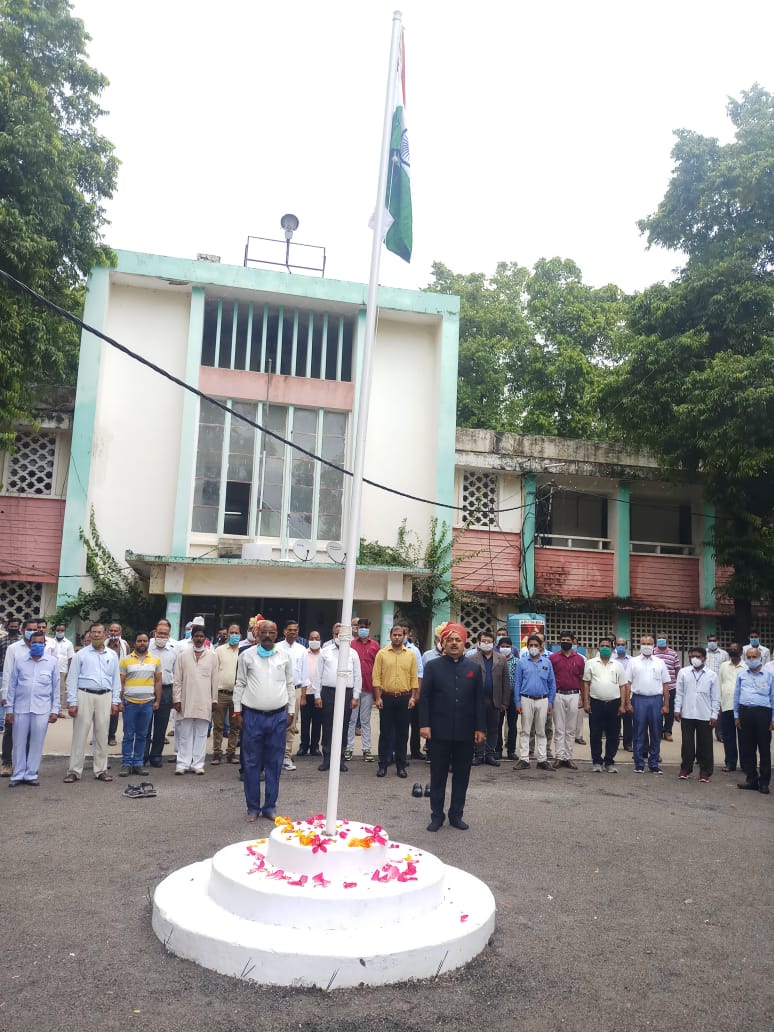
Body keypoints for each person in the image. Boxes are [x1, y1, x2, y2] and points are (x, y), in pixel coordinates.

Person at [419, 622, 485, 831]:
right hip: (438, 731)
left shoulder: (473, 668)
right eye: (450, 640)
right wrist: (424, 725)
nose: (454, 643)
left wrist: (480, 728)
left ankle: (456, 815)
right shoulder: (433, 666)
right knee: (437, 776)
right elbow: (425, 698)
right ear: (443, 643)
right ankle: (437, 816)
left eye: (458, 640)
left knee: (461, 775)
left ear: (464, 643)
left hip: (465, 733)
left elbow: (478, 701)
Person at [232, 619, 294, 821]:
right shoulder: (246, 656)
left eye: (272, 633)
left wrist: (291, 711)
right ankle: (252, 807)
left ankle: (269, 806)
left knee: (274, 763)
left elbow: (290, 684)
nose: (268, 636)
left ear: (277, 634)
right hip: (253, 717)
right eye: (264, 632)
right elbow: (240, 684)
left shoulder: (284, 656)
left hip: (277, 716)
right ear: (257, 634)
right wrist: (237, 711)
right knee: (251, 763)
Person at [64, 622, 121, 783]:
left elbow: (116, 680)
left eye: (99, 632)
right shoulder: (81, 655)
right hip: (84, 695)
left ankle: (101, 769)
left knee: (102, 734)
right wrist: (72, 702)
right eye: (93, 632)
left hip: (105, 696)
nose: (96, 635)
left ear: (105, 635)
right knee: (80, 734)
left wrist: (115, 701)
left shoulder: (112, 655)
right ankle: (74, 770)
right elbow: (72, 679)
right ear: (89, 634)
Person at [4, 629, 59, 786]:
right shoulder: (20, 661)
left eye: (40, 643)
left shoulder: (52, 662)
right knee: (19, 743)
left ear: (44, 644)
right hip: (20, 708)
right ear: (29, 643)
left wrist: (55, 710)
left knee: (37, 742)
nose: (37, 645)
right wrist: (9, 709)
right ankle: (18, 774)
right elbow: (12, 687)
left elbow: (56, 688)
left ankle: (31, 774)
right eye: (34, 643)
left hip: (42, 709)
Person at [312, 623, 361, 773]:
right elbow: (318, 675)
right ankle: (327, 758)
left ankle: (340, 759)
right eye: (336, 634)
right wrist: (317, 695)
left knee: (344, 726)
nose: (339, 637)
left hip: (346, 693)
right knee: (327, 726)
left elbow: (358, 676)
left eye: (342, 634)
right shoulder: (325, 652)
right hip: (328, 692)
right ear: (333, 635)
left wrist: (355, 696)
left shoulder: (353, 653)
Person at [373, 625, 419, 779]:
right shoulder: (382, 653)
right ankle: (383, 764)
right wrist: (378, 697)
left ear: (404, 636)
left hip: (405, 698)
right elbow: (376, 677)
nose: (397, 637)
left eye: (400, 635)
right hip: (386, 697)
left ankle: (401, 765)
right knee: (385, 732)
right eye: (395, 634)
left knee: (402, 733)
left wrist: (413, 697)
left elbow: (414, 677)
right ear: (390, 635)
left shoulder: (411, 655)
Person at [172, 625, 218, 774]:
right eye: (196, 636)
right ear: (192, 638)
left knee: (201, 734)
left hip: (205, 700)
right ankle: (183, 763)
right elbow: (177, 680)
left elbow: (215, 680)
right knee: (184, 733)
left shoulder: (212, 656)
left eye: (201, 636)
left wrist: (214, 700)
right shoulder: (183, 655)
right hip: (186, 700)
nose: (198, 639)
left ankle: (198, 764)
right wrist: (177, 699)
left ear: (205, 638)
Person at [583, 636, 629, 773]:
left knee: (613, 735)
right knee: (595, 734)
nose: (604, 648)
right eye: (602, 646)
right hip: (596, 703)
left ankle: (609, 761)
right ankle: (596, 761)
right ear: (598, 648)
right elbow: (586, 683)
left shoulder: (618, 665)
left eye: (607, 646)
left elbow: (623, 686)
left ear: (612, 649)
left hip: (613, 704)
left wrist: (622, 705)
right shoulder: (591, 663)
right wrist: (586, 702)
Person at [674, 646, 720, 782]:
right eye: (691, 656)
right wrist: (677, 709)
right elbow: (680, 692)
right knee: (687, 744)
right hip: (687, 713)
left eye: (697, 656)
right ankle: (685, 768)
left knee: (705, 744)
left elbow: (716, 697)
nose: (694, 659)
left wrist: (714, 714)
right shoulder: (683, 672)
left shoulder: (712, 675)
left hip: (705, 714)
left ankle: (705, 771)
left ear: (704, 658)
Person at [118, 632, 161, 777]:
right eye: (139, 641)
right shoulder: (125, 660)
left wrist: (157, 701)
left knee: (142, 735)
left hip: (147, 703)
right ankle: (126, 764)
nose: (142, 643)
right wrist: (120, 701)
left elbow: (158, 681)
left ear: (148, 643)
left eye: (144, 641)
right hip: (129, 703)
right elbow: (121, 682)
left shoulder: (155, 660)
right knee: (128, 735)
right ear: (135, 643)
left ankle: (138, 763)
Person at [513, 634, 556, 772]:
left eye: (536, 645)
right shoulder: (522, 662)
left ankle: (542, 759)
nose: (533, 648)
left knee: (541, 730)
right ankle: (524, 759)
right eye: (530, 645)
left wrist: (550, 702)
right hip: (526, 699)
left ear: (541, 647)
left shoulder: (547, 662)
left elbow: (552, 683)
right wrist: (517, 702)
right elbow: (517, 683)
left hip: (543, 700)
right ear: (527, 647)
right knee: (525, 730)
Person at [627, 636, 671, 774]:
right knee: (638, 732)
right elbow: (627, 683)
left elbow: (665, 684)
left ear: (654, 646)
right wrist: (628, 702)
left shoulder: (660, 663)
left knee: (656, 732)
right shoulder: (633, 662)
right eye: (644, 643)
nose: (646, 646)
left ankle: (653, 763)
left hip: (656, 700)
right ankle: (639, 763)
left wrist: (666, 704)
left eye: (649, 644)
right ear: (639, 645)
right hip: (639, 699)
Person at [733, 647, 774, 794]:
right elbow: (736, 696)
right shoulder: (742, 674)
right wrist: (736, 715)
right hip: (745, 713)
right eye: (748, 657)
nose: (751, 659)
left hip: (763, 714)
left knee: (763, 748)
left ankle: (764, 782)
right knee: (746, 748)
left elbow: (773, 698)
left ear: (760, 658)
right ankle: (751, 779)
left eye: (754, 657)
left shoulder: (769, 676)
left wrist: (773, 719)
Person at [468, 629, 509, 767]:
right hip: (477, 699)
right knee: (479, 727)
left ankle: (490, 754)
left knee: (493, 727)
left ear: (493, 643)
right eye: (484, 641)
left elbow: (505, 682)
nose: (486, 643)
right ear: (479, 643)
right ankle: (479, 754)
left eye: (489, 641)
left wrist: (505, 701)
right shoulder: (472, 659)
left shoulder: (501, 659)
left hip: (495, 699)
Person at [275, 620, 310, 771]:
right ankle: (275, 754)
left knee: (291, 723)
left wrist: (302, 696)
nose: (293, 632)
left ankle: (286, 756)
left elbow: (304, 675)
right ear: (284, 632)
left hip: (295, 691)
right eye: (290, 630)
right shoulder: (276, 648)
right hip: (278, 689)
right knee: (276, 722)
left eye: (295, 630)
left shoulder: (302, 650)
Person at [549, 629, 586, 770]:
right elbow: (550, 679)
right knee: (559, 728)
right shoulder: (553, 658)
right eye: (563, 640)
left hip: (574, 694)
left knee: (571, 729)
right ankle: (559, 757)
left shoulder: (579, 659)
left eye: (568, 640)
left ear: (573, 642)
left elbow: (582, 679)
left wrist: (583, 697)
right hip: (558, 694)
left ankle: (568, 757)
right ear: (559, 642)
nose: (565, 642)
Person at [146, 619, 177, 768]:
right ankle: (142, 755)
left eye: (165, 634)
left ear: (168, 635)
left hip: (166, 689)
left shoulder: (174, 647)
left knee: (161, 724)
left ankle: (156, 755)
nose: (161, 636)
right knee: (145, 724)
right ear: (155, 632)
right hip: (146, 688)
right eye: (159, 633)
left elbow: (177, 672)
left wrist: (175, 694)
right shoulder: (147, 645)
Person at [348, 618, 380, 762]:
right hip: (354, 688)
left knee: (365, 720)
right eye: (360, 627)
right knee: (351, 719)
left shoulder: (375, 645)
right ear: (357, 628)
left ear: (369, 628)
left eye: (365, 627)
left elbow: (378, 668)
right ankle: (349, 747)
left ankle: (367, 749)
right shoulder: (351, 644)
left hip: (368, 687)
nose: (362, 629)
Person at [212, 623, 241, 765]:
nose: (234, 635)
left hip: (237, 695)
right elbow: (214, 672)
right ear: (227, 634)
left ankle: (231, 753)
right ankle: (217, 754)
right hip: (221, 693)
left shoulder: (244, 650)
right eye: (231, 632)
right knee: (218, 725)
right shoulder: (219, 650)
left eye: (236, 633)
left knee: (235, 726)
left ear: (240, 634)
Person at [0, 615, 22, 776]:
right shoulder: (4, 642)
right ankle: (6, 762)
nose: (13, 628)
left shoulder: (26, 645)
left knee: (24, 731)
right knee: (9, 725)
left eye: (16, 626)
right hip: (4, 676)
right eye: (11, 625)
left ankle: (22, 764)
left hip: (24, 685)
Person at [718, 644, 745, 772]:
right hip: (727, 705)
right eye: (731, 649)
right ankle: (730, 763)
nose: (733, 651)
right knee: (728, 736)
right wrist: (718, 704)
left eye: (736, 649)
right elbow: (719, 684)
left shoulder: (746, 667)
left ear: (741, 652)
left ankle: (746, 764)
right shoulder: (723, 666)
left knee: (744, 737)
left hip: (743, 707)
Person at [401, 623, 425, 760]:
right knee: (401, 725)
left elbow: (419, 672)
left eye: (404, 633)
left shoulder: (414, 650)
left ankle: (415, 751)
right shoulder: (387, 649)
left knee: (415, 724)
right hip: (399, 691)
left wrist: (417, 693)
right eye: (398, 633)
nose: (401, 636)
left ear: (408, 635)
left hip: (412, 690)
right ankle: (400, 753)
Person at [298, 631, 323, 756]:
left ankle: (314, 747)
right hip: (305, 692)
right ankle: (303, 746)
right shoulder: (304, 653)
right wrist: (302, 696)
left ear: (320, 640)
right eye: (312, 638)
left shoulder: (324, 654)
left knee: (317, 721)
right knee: (305, 722)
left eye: (317, 638)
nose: (314, 640)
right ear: (308, 639)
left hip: (319, 694)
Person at [106, 621, 129, 746]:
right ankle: (99, 735)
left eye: (116, 631)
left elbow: (128, 662)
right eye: (111, 630)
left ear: (120, 632)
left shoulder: (124, 645)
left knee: (114, 708)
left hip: (118, 680)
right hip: (103, 681)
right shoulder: (103, 644)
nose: (113, 633)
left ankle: (111, 736)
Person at [653, 632, 680, 741]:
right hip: (656, 687)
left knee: (669, 710)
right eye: (659, 638)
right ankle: (658, 731)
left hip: (671, 686)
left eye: (663, 638)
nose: (661, 640)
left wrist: (678, 684)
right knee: (657, 710)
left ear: (667, 640)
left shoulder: (673, 653)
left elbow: (677, 669)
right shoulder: (653, 652)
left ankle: (668, 731)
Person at [496, 636, 518, 761]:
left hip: (512, 696)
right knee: (497, 724)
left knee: (512, 725)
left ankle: (511, 750)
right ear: (498, 648)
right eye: (502, 646)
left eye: (507, 647)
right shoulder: (496, 661)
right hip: (498, 696)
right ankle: (497, 750)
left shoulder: (517, 662)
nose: (505, 649)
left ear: (511, 648)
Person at [614, 637, 634, 750]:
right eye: (618, 644)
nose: (620, 646)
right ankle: (614, 742)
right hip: (615, 692)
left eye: (622, 644)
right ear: (615, 646)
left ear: (626, 646)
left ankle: (627, 743)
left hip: (628, 692)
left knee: (628, 719)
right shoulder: (611, 659)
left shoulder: (632, 660)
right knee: (615, 719)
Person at [51, 623, 75, 718]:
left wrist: (69, 672)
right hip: (51, 669)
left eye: (62, 630)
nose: (60, 632)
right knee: (49, 690)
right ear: (55, 631)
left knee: (60, 691)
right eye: (58, 630)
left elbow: (70, 658)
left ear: (64, 631)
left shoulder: (69, 643)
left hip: (62, 670)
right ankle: (49, 710)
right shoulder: (51, 642)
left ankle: (58, 710)